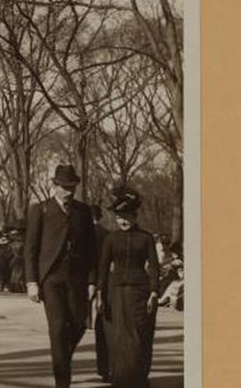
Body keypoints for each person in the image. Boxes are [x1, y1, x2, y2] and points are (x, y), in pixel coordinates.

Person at [24, 165, 97, 388]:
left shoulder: (83, 211)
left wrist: (92, 280)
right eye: (64, 187)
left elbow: (91, 249)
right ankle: (62, 381)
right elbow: (31, 248)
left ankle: (62, 358)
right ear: (54, 186)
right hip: (51, 278)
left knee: (79, 324)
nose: (69, 191)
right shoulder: (41, 210)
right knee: (57, 327)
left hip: (76, 278)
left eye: (72, 187)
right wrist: (32, 281)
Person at [98, 186, 159, 388]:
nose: (122, 221)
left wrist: (153, 291)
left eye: (126, 216)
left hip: (140, 292)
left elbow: (154, 266)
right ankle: (120, 379)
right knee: (118, 337)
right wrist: (100, 293)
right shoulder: (110, 239)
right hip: (114, 292)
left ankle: (139, 378)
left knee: (139, 335)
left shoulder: (146, 238)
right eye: (119, 217)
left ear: (134, 216)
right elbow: (103, 267)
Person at [91, 205, 111, 382]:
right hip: (104, 278)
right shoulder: (107, 234)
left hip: (84, 278)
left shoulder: (82, 233)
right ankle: (105, 368)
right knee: (102, 322)